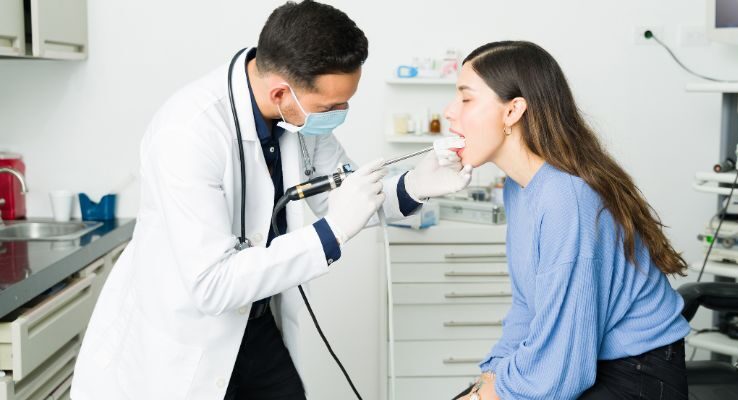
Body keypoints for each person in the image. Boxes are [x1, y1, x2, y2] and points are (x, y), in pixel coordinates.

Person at [70, 2, 471, 399]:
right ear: (281, 91)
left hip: (256, 323)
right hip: (187, 341)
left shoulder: (298, 114)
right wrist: (330, 233)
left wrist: (416, 185)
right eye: (330, 107)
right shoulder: (188, 133)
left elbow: (349, 197)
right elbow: (213, 285)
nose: (339, 115)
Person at [445, 41, 691, 400]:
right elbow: (528, 308)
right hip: (583, 360)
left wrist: (489, 395)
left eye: (466, 99)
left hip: (637, 375)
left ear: (513, 111)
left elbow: (562, 368)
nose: (450, 112)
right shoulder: (519, 187)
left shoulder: (565, 199)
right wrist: (490, 375)